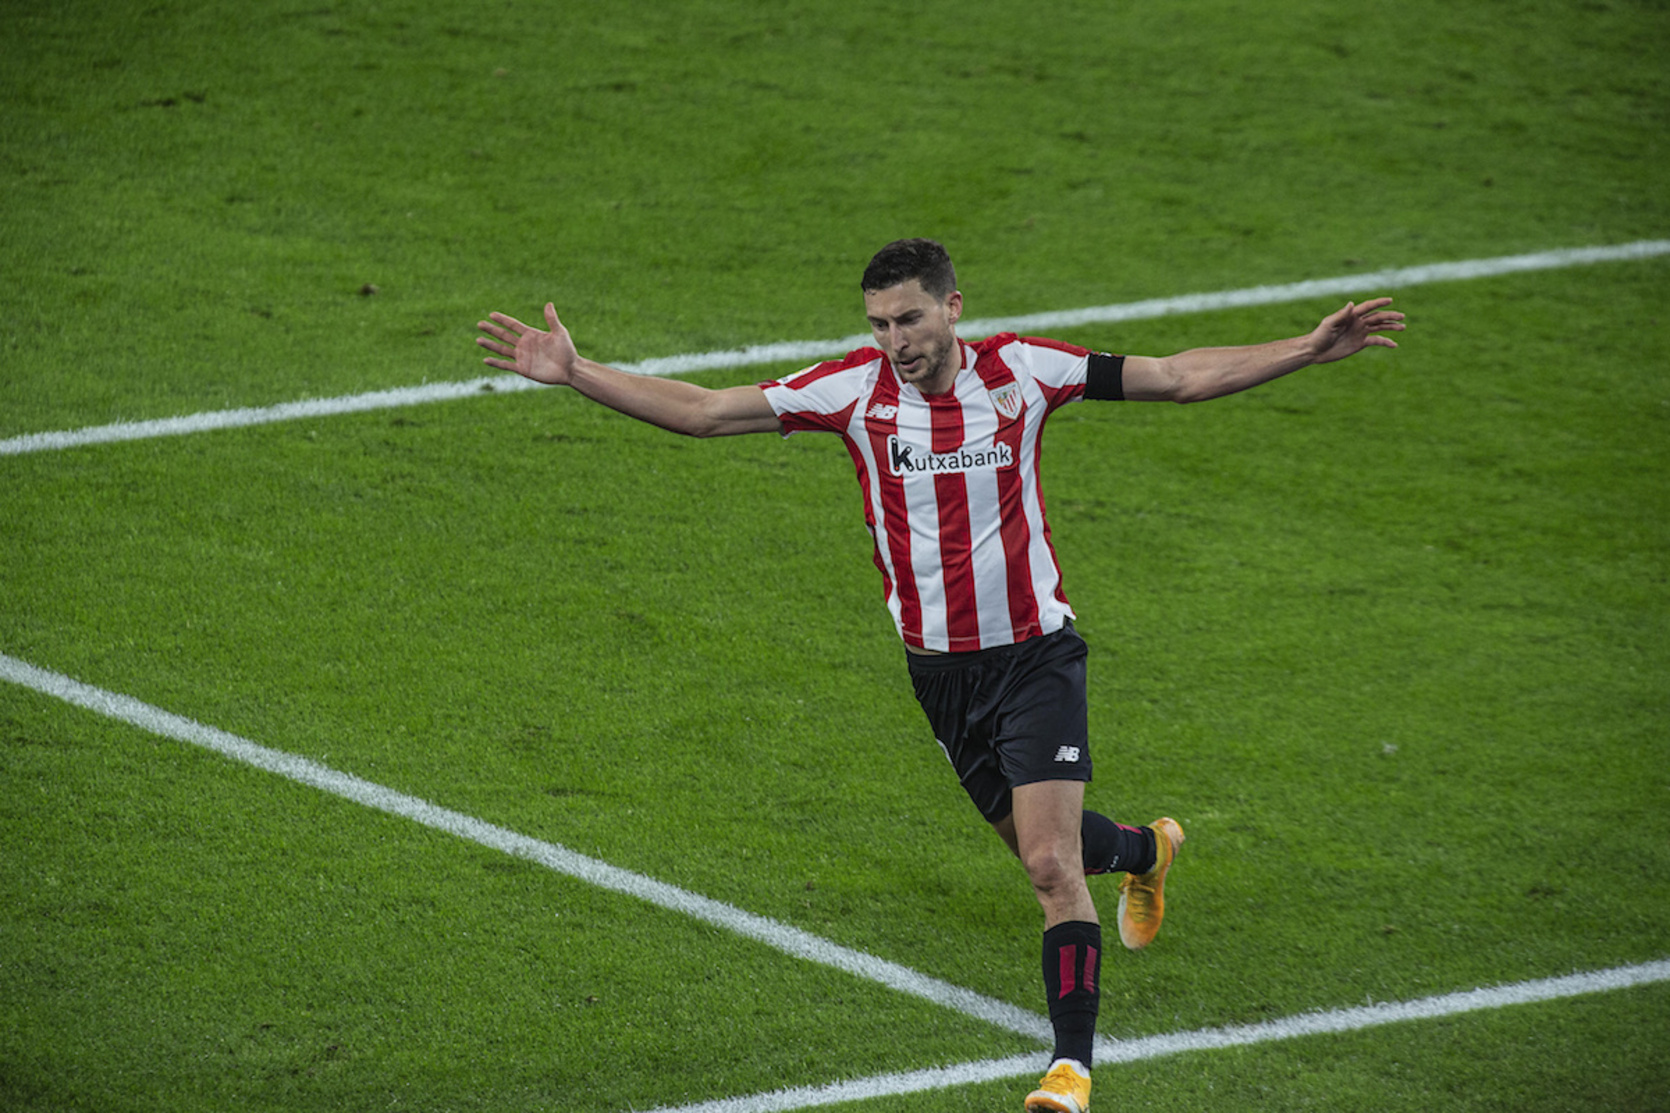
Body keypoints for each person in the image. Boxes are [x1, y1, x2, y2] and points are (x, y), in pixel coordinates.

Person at [476, 238, 1404, 1113]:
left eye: (911, 319)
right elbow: (706, 412)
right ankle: (1145, 851)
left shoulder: (1026, 373)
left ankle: (1071, 1068)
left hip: (1038, 655)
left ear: (953, 307)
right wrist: (576, 374)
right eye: (879, 323)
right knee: (1058, 850)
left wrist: (1304, 349)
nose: (895, 341)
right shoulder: (851, 391)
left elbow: (1176, 378)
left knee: (1047, 866)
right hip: (942, 679)